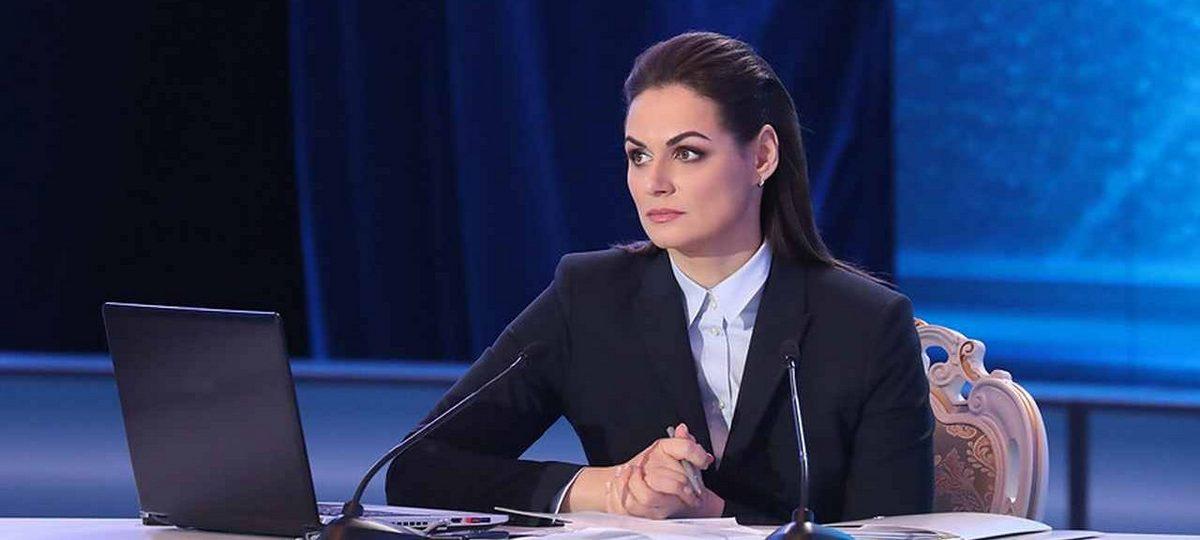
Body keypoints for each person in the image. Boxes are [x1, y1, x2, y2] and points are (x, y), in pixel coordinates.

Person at [385, 31, 932, 525]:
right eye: (639, 156)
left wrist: (713, 513)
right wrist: (609, 488)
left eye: (687, 153)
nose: (654, 183)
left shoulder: (866, 323)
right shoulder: (589, 296)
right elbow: (419, 466)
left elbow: (899, 531)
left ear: (762, 156)